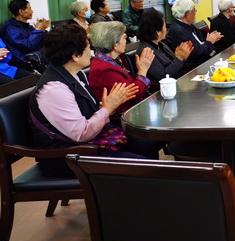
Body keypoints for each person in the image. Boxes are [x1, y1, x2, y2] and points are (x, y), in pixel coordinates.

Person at [29, 25, 158, 176]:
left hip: (86, 146)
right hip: (67, 158)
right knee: (146, 167)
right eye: (87, 47)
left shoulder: (76, 74)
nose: (91, 51)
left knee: (148, 143)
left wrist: (108, 106)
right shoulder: (54, 90)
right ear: (75, 55)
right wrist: (108, 108)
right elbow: (81, 134)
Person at [88, 21, 155, 117]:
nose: (126, 41)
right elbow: (133, 94)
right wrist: (143, 71)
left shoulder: (114, 59)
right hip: (124, 116)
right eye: (124, 38)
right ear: (115, 44)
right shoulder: (104, 70)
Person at [136, 9, 194, 83]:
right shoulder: (146, 51)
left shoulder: (160, 44)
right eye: (165, 26)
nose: (166, 29)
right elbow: (163, 77)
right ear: (157, 32)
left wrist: (180, 56)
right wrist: (179, 59)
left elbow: (173, 64)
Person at [165, 0, 222, 69]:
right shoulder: (179, 31)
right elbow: (198, 53)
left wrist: (211, 38)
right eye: (194, 10)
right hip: (194, 67)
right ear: (187, 14)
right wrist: (210, 42)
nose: (195, 12)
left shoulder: (186, 25)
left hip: (202, 60)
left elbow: (199, 42)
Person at [1, 0, 50, 65]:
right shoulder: (10, 28)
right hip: (24, 62)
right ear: (21, 12)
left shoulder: (26, 26)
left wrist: (42, 29)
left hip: (37, 57)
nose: (32, 11)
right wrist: (38, 29)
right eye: (29, 8)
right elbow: (28, 46)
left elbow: (43, 40)